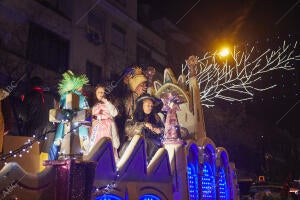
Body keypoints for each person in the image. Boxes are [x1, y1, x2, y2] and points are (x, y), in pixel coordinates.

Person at [49, 71, 90, 160]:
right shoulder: (82, 99)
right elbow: (87, 113)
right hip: (78, 130)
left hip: (65, 129)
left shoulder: (64, 97)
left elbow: (60, 110)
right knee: (76, 152)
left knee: (64, 151)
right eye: (81, 86)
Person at [123, 93, 164, 163]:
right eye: (148, 105)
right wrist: (143, 124)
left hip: (152, 148)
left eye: (151, 106)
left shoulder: (155, 117)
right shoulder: (133, 116)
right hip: (135, 147)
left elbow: (163, 129)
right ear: (141, 105)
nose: (150, 107)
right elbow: (128, 130)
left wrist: (160, 130)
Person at [89, 84, 120, 161]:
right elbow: (91, 117)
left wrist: (106, 102)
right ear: (95, 94)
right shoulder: (94, 106)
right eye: (99, 92)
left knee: (108, 145)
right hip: (96, 128)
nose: (101, 94)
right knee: (96, 146)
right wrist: (92, 121)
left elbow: (114, 113)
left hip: (107, 127)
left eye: (102, 92)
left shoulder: (109, 104)